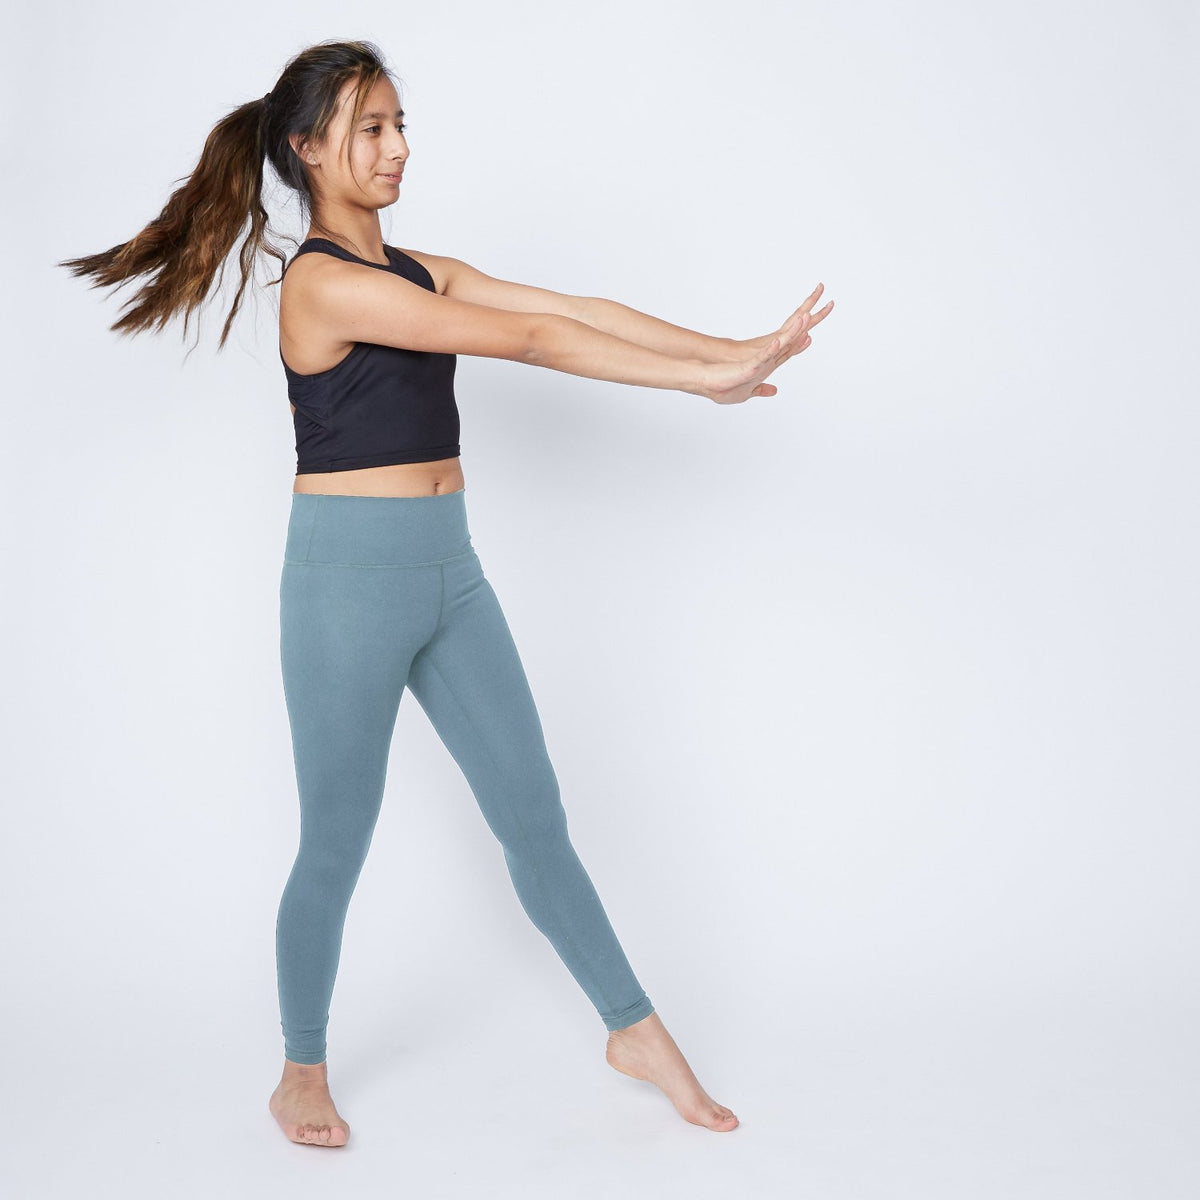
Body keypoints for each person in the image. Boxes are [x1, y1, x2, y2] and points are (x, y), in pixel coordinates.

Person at [59, 38, 833, 1149]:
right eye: (371, 129)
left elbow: (576, 305)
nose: (397, 149)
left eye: (399, 126)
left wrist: (736, 351)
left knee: (536, 819)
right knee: (337, 840)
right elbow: (534, 340)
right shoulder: (323, 285)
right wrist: (702, 380)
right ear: (307, 148)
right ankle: (300, 1070)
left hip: (450, 576)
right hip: (346, 585)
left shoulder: (419, 270)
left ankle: (635, 1032)